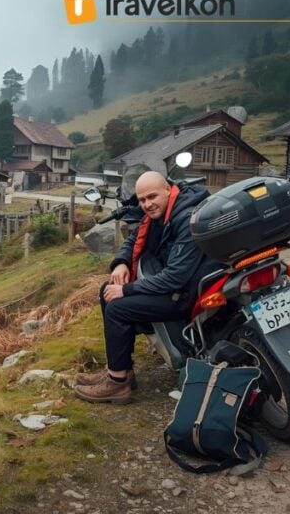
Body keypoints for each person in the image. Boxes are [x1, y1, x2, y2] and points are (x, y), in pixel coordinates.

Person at [74, 171, 220, 404]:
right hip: (178, 286)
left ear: (167, 189)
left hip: (187, 295)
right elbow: (134, 240)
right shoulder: (163, 212)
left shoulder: (185, 217)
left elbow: (175, 277)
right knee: (108, 290)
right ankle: (122, 370)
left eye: (152, 196)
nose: (147, 204)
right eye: (142, 200)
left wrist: (127, 290)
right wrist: (121, 263)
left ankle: (117, 384)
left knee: (117, 307)